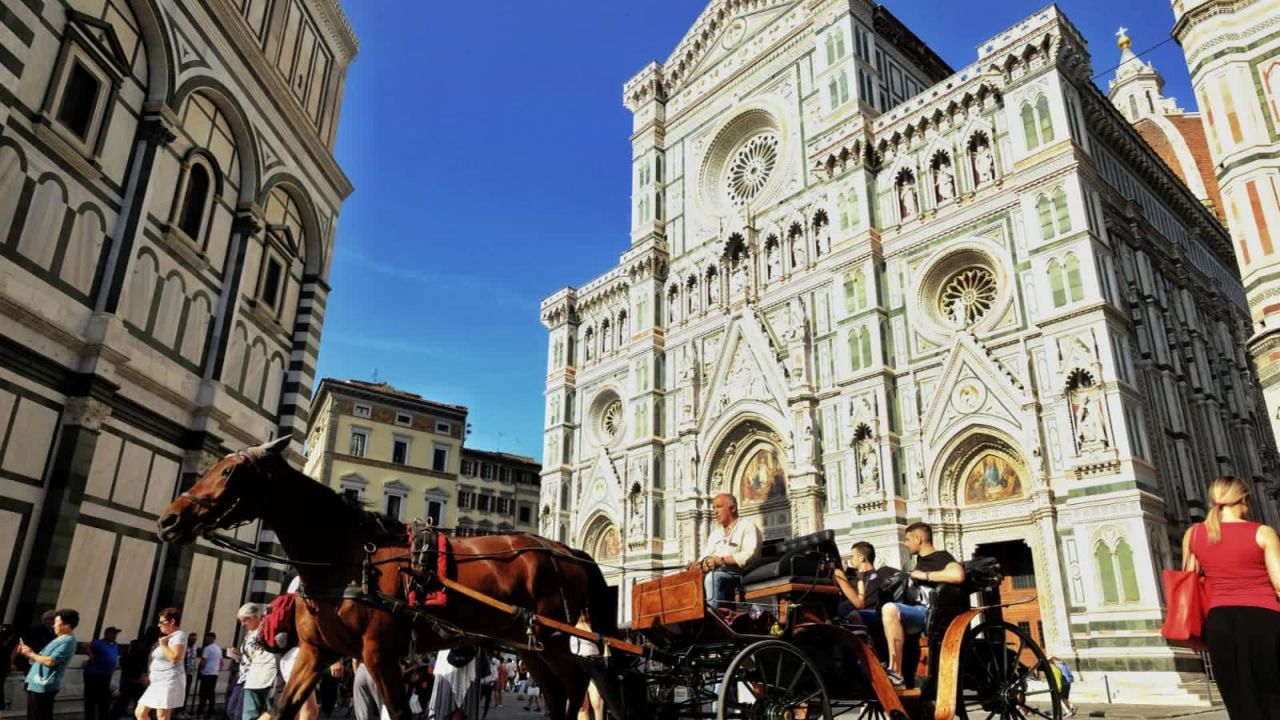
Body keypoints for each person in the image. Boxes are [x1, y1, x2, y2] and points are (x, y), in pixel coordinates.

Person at [1181, 476, 1280, 720]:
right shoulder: (1262, 532)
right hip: (1265, 620)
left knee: (1238, 700)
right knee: (1273, 696)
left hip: (1220, 623)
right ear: (1244, 499)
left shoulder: (1193, 534)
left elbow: (1188, 583)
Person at [881, 523, 964, 688]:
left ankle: (896, 673)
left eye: (908, 539)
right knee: (859, 616)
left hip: (929, 613)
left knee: (890, 609)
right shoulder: (919, 560)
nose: (905, 543)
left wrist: (925, 575)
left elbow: (958, 575)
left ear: (919, 539)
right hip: (913, 610)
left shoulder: (941, 556)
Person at [690, 493, 762, 608]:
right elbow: (705, 557)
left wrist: (720, 560)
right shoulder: (714, 535)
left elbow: (749, 555)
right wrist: (698, 565)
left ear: (732, 508)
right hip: (718, 574)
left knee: (712, 578)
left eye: (719, 507)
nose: (715, 511)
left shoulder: (747, 526)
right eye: (713, 508)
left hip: (740, 574)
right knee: (690, 581)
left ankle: (714, 618)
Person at [16, 608, 79, 720]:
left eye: (57, 623)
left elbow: (51, 661)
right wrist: (29, 653)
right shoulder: (59, 639)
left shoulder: (68, 641)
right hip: (36, 683)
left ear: (67, 626)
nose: (54, 625)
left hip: (43, 685)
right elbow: (42, 657)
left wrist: (31, 654)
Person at [136, 608, 188, 720]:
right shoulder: (166, 638)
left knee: (162, 716)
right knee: (140, 713)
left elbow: (175, 658)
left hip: (168, 680)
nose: (159, 625)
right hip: (157, 681)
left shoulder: (179, 636)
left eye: (161, 622)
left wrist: (163, 645)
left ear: (172, 621)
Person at [832, 542, 898, 626]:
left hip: (871, 616)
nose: (851, 560)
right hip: (847, 617)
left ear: (861, 558)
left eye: (852, 556)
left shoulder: (883, 572)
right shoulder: (850, 578)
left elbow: (905, 576)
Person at [235, 603, 278, 720]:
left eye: (245, 620)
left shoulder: (268, 628)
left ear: (255, 616)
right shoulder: (250, 633)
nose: (243, 624)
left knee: (270, 712)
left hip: (268, 676)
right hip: (251, 677)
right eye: (241, 621)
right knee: (247, 714)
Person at [572, 613, 604, 720]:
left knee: (597, 703)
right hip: (577, 665)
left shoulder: (592, 625)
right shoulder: (568, 626)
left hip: (593, 663)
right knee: (582, 707)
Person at [84, 626, 122, 720]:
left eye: (115, 634)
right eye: (113, 633)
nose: (114, 636)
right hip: (94, 674)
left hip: (106, 675)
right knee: (91, 699)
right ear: (107, 634)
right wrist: (91, 656)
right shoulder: (99, 643)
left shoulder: (115, 645)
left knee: (104, 699)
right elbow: (85, 645)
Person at [196, 633, 223, 718]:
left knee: (203, 694)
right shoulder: (219, 649)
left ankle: (200, 711)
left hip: (207, 673)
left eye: (207, 638)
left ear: (212, 638)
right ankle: (210, 711)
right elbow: (221, 662)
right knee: (211, 693)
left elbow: (203, 661)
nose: (206, 639)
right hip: (214, 674)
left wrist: (200, 671)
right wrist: (216, 669)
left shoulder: (207, 649)